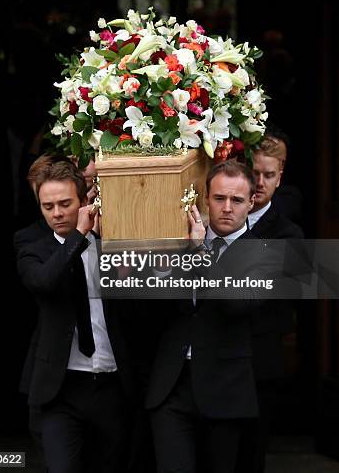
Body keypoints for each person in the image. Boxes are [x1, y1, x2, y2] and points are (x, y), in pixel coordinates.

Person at [146, 160, 269, 473]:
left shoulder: (264, 252)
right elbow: (149, 304)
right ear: (205, 198)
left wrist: (200, 251)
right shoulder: (179, 240)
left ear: (251, 202)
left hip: (224, 392)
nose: (227, 208)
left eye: (237, 200)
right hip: (171, 387)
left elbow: (236, 303)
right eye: (219, 198)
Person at [16, 160, 136, 473]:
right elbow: (45, 281)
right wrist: (79, 235)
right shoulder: (33, 248)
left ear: (84, 202)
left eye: (65, 204)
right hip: (60, 391)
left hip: (112, 385)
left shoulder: (114, 245)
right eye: (48, 206)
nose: (56, 213)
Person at [234, 137, 304, 473]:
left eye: (269, 175)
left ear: (280, 177)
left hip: (259, 362)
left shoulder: (289, 234)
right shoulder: (215, 218)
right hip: (213, 361)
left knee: (250, 454)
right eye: (254, 172)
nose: (259, 183)